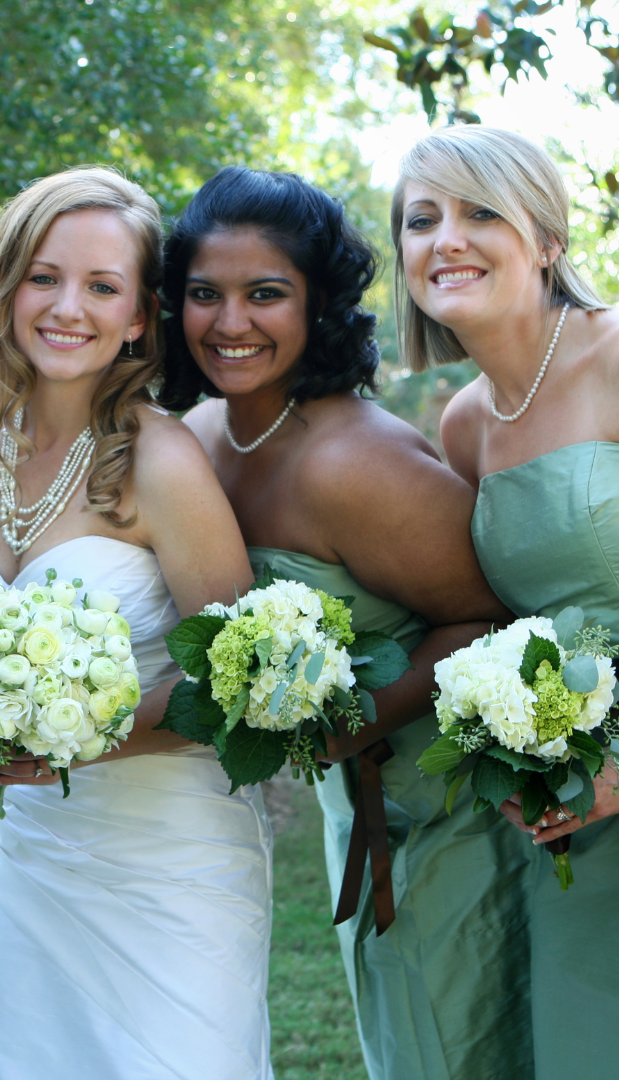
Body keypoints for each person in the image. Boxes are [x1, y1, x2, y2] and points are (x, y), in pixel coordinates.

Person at [162, 166, 518, 1080]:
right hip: (355, 813)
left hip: (450, 813)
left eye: (265, 294)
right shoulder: (199, 436)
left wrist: (342, 726)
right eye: (205, 294)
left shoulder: (357, 461)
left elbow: (486, 620)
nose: (229, 322)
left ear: (318, 303)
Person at [0, 166, 271, 1080]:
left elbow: (236, 680)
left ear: (139, 315)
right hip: (33, 850)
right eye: (45, 277)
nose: (68, 307)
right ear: (11, 286)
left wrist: (81, 739)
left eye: (102, 286)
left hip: (168, 853)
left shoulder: (160, 457)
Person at [395, 125, 619, 1080]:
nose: (447, 238)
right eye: (422, 219)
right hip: (573, 804)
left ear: (548, 239)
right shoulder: (464, 424)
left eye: (480, 212)